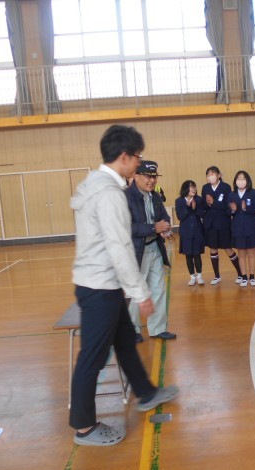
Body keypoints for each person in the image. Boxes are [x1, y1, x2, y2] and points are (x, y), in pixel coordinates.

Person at [69, 124, 178, 447]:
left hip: (101, 283)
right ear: (125, 157)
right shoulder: (110, 194)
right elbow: (119, 247)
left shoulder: (93, 183)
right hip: (100, 286)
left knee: (126, 341)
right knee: (92, 357)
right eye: (138, 157)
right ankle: (84, 427)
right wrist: (141, 293)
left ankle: (145, 393)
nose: (140, 164)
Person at [126, 160, 177, 342]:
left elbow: (164, 216)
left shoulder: (154, 196)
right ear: (136, 176)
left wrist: (166, 227)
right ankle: (132, 330)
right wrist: (153, 228)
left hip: (154, 248)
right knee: (134, 293)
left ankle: (158, 328)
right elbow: (125, 226)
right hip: (135, 252)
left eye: (155, 177)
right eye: (148, 176)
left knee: (158, 289)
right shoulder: (125, 197)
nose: (152, 180)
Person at [201, 166, 243, 285]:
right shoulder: (205, 188)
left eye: (213, 174)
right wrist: (208, 203)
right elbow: (204, 206)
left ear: (219, 175)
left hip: (223, 222)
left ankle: (240, 274)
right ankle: (217, 276)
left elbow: (226, 205)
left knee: (228, 248)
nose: (210, 176)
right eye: (208, 175)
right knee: (213, 249)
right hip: (210, 224)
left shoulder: (226, 187)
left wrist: (213, 202)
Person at [228, 170, 255, 287]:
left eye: (243, 178)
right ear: (235, 181)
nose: (240, 181)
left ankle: (252, 277)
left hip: (250, 228)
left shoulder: (253, 193)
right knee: (241, 254)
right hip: (238, 228)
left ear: (247, 181)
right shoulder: (232, 194)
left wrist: (246, 208)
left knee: (251, 253)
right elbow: (228, 212)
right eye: (238, 178)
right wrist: (233, 210)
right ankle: (243, 277)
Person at [175, 180, 205, 286]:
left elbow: (202, 214)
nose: (194, 189)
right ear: (185, 189)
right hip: (185, 232)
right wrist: (188, 207)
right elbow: (180, 217)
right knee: (188, 255)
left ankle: (199, 276)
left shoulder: (199, 199)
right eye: (191, 187)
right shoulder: (179, 201)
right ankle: (192, 276)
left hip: (197, 231)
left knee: (197, 255)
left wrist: (195, 208)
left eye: (194, 187)